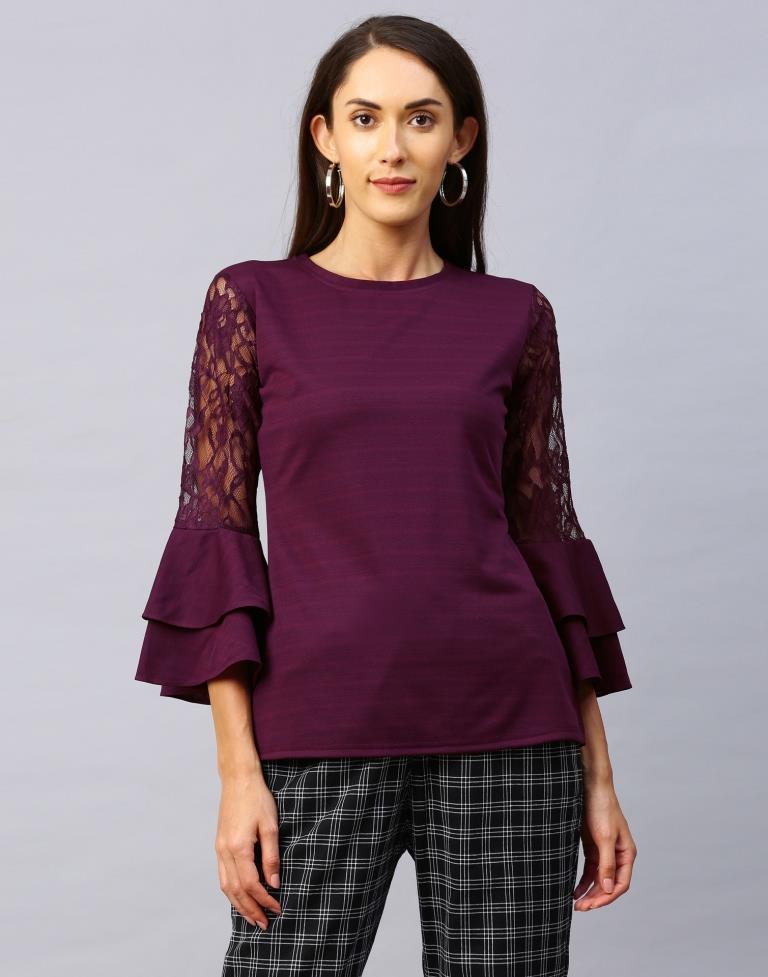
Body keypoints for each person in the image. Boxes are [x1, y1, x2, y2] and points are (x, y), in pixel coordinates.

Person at [134, 14, 637, 976]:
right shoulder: (251, 302)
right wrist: (238, 772)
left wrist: (599, 773)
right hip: (316, 728)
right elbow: (217, 533)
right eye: (366, 118)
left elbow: (546, 544)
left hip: (511, 730)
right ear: (326, 137)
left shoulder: (515, 315)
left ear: (461, 140)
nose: (393, 147)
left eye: (421, 118)